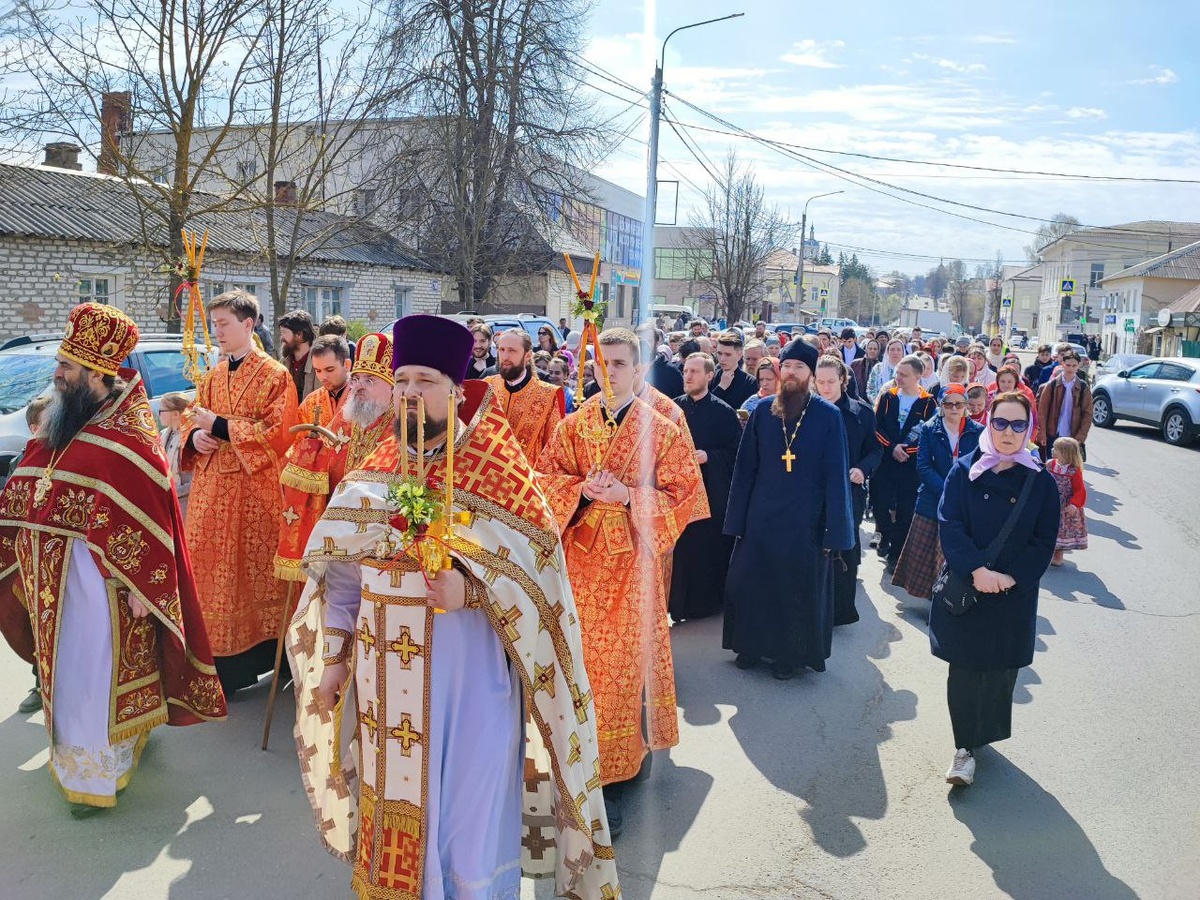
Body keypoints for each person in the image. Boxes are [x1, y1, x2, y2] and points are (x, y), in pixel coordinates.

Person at [287, 315, 619, 897]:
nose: (412, 393)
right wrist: (333, 662)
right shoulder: (375, 469)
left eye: (425, 380)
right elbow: (338, 581)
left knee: (470, 812)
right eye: (404, 380)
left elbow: (542, 582)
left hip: (473, 688)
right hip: (384, 689)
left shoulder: (498, 470)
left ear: (455, 388)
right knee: (396, 808)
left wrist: (471, 590)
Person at [0, 303, 226, 814]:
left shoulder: (128, 436)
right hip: (51, 582)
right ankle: (82, 758)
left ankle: (94, 777)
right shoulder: (62, 423)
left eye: (67, 367)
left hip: (98, 586)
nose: (57, 375)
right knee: (66, 674)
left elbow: (152, 518)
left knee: (90, 672)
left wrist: (149, 588)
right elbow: (30, 486)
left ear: (96, 375)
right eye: (59, 363)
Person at [537, 328, 703, 832]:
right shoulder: (572, 425)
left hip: (633, 569)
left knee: (620, 674)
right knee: (577, 670)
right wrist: (582, 491)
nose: (609, 373)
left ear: (638, 369)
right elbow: (544, 480)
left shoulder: (662, 428)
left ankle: (615, 774)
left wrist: (630, 497)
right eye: (602, 364)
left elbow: (686, 496)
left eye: (620, 365)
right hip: (579, 570)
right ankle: (574, 768)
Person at [930, 391, 1060, 786]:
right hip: (970, 589)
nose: (1007, 432)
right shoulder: (966, 470)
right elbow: (948, 523)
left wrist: (1011, 578)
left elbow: (1043, 540)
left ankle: (983, 734)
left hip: (1012, 595)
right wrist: (976, 570)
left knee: (1001, 670)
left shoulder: (1041, 482)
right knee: (966, 669)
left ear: (1029, 430)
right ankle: (964, 748)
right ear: (989, 422)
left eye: (1018, 425)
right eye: (1000, 422)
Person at [183, 290, 299, 696]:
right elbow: (190, 417)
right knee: (212, 577)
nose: (217, 331)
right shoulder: (212, 376)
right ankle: (217, 667)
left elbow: (279, 433)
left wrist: (219, 426)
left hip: (253, 496)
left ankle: (271, 660)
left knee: (252, 577)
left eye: (224, 324)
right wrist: (196, 436)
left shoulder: (274, 375)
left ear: (248, 325)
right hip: (211, 493)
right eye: (214, 324)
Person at [722, 339, 855, 678]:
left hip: (805, 521)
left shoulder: (828, 415)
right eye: (788, 366)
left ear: (810, 374)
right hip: (760, 517)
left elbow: (836, 475)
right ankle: (749, 646)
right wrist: (736, 519)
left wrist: (835, 531)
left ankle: (789, 656)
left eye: (800, 367)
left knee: (793, 588)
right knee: (753, 582)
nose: (792, 372)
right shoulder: (763, 411)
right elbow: (745, 467)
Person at [274, 333, 395, 582]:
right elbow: (322, 460)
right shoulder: (349, 415)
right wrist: (308, 451)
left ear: (392, 384)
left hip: (380, 540)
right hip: (337, 535)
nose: (359, 386)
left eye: (370, 380)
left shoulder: (402, 425)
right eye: (358, 379)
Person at [891, 384, 983, 600]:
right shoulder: (929, 428)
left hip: (964, 501)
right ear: (941, 405)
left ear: (965, 405)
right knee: (928, 553)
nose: (954, 408)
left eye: (959, 403)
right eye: (948, 404)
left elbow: (981, 465)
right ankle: (933, 598)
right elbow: (923, 466)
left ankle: (951, 597)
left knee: (954, 553)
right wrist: (946, 490)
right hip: (933, 499)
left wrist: (962, 492)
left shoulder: (978, 431)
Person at [669, 353, 741, 622]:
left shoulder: (724, 412)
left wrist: (709, 456)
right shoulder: (673, 409)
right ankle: (677, 604)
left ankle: (706, 605)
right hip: (679, 493)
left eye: (694, 372)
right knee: (682, 550)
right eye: (686, 371)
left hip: (711, 494)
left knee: (705, 551)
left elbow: (736, 453)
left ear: (710, 376)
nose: (687, 376)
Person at [813, 356, 880, 626]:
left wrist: (862, 469)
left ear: (843, 379)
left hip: (848, 492)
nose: (826, 387)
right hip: (813, 491)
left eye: (831, 381)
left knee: (844, 550)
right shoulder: (806, 411)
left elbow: (875, 450)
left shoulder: (861, 413)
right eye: (820, 382)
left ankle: (840, 610)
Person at [871, 355, 937, 572]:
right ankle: (886, 535)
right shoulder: (888, 397)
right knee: (879, 503)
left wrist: (906, 450)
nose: (898, 377)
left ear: (918, 376)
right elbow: (877, 427)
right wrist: (893, 447)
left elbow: (928, 434)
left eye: (904, 374)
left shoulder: (928, 402)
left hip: (910, 465)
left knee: (905, 510)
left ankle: (895, 553)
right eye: (897, 373)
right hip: (886, 461)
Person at [7, 395, 52, 715]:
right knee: (38, 622)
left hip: (65, 556)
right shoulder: (19, 463)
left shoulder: (65, 454)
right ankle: (41, 682)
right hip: (33, 559)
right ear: (36, 428)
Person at [484, 328, 565, 466]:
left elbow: (553, 450)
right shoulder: (487, 386)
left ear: (527, 356)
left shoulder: (548, 395)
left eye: (512, 350)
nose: (505, 356)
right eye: (501, 350)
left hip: (528, 481)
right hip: (488, 477)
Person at [1036, 350, 1093, 464]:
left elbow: (1087, 414)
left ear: (1078, 366)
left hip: (1072, 435)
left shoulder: (1082, 387)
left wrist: (1080, 437)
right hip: (1052, 433)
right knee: (1050, 465)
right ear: (1062, 364)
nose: (1070, 368)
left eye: (1074, 365)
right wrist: (1042, 432)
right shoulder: (1051, 385)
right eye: (1068, 365)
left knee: (1069, 467)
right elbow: (1042, 411)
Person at [293, 334, 352, 436]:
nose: (323, 377)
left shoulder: (363, 400)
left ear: (346, 365)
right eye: (318, 371)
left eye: (329, 370)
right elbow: (298, 441)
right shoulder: (310, 403)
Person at [1048, 436, 1088, 567]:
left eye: (1056, 449)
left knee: (1060, 531)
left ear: (1065, 453)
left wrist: (1074, 504)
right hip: (1049, 503)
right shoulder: (1050, 464)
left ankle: (1058, 555)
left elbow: (1080, 490)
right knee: (1046, 527)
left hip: (1064, 507)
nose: (1052, 450)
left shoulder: (1074, 471)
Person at [157, 392, 193, 516]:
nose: (158, 415)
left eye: (161, 411)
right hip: (170, 501)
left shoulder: (191, 438)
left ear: (176, 414)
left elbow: (198, 477)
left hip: (188, 503)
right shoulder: (162, 435)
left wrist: (174, 491)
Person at [709, 329, 757, 410]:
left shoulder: (750, 382)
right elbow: (706, 408)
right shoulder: (711, 377)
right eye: (719, 353)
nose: (722, 359)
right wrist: (721, 387)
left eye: (728, 355)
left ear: (739, 354)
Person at [279, 309, 317, 401]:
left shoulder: (319, 363)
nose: (282, 338)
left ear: (299, 335)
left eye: (284, 333)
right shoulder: (283, 363)